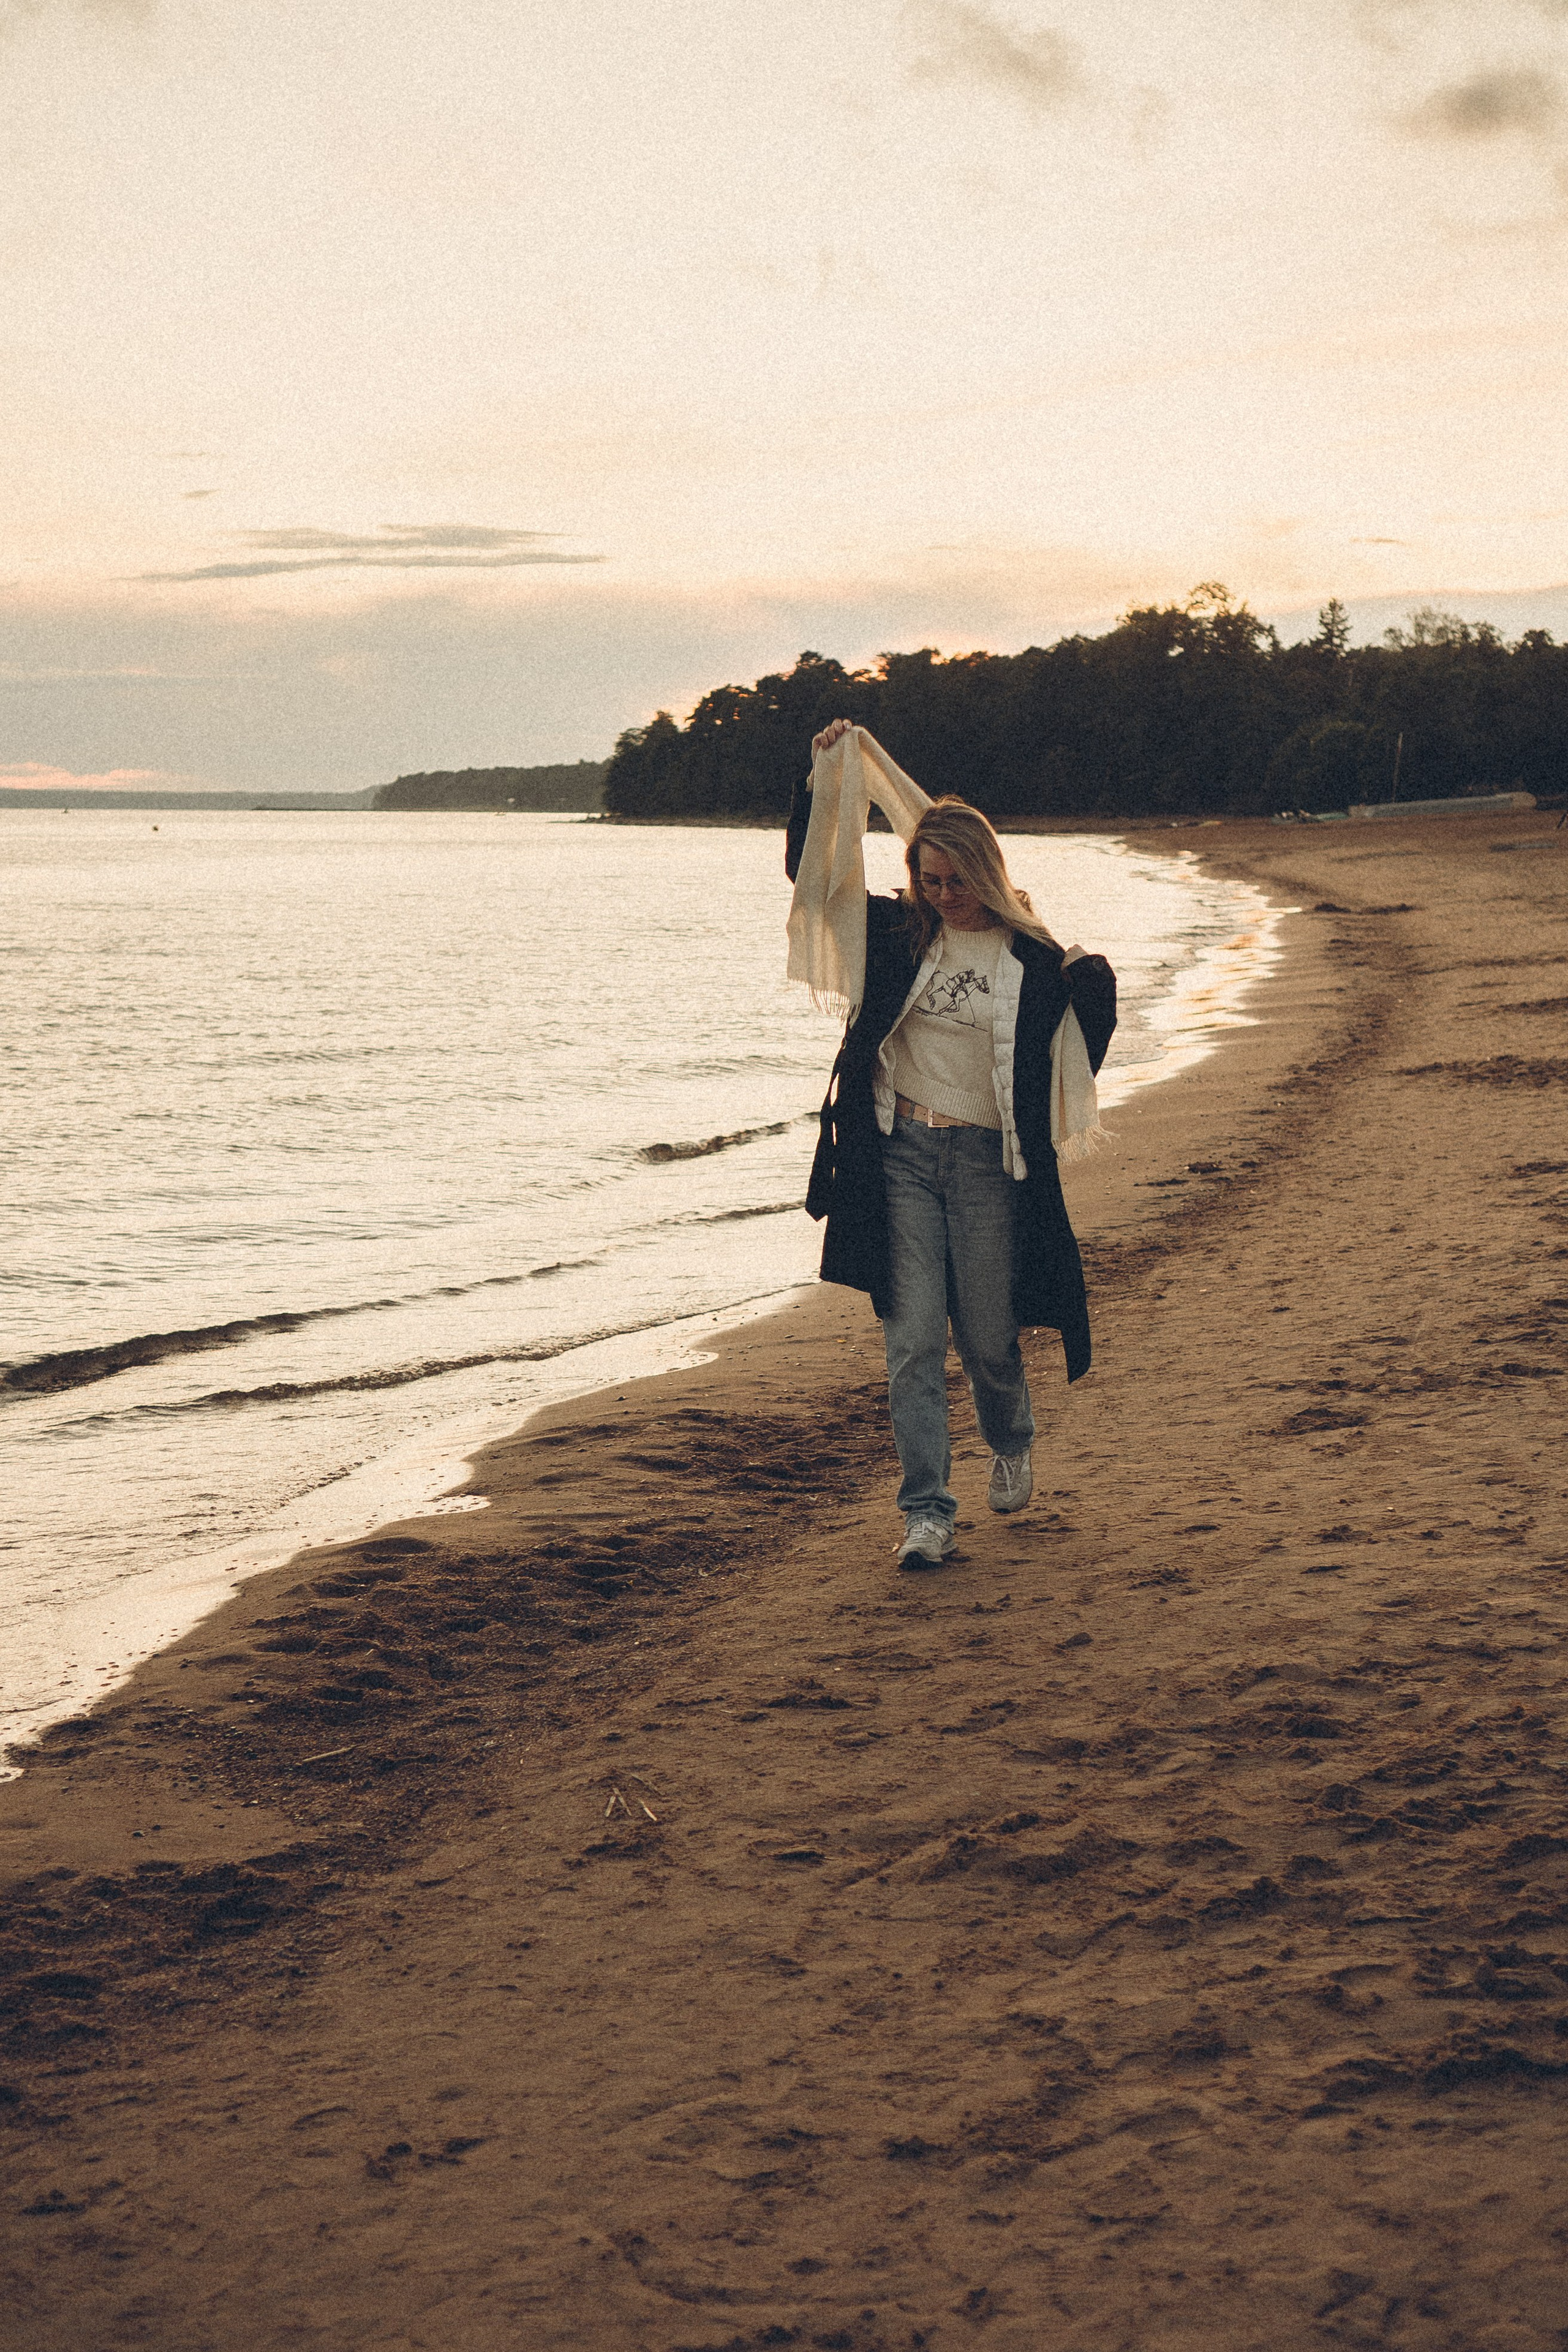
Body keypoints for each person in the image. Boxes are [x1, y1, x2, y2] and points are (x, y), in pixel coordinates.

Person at [785, 720, 1117, 1569]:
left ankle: (1012, 1438)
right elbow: (812, 873)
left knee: (988, 1336)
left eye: (956, 880)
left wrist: (1090, 980)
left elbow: (1083, 1035)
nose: (943, 895)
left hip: (984, 1168)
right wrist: (824, 776)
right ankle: (926, 1511)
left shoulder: (1031, 960)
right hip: (899, 1159)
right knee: (912, 1343)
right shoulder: (901, 937)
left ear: (986, 872)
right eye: (928, 881)